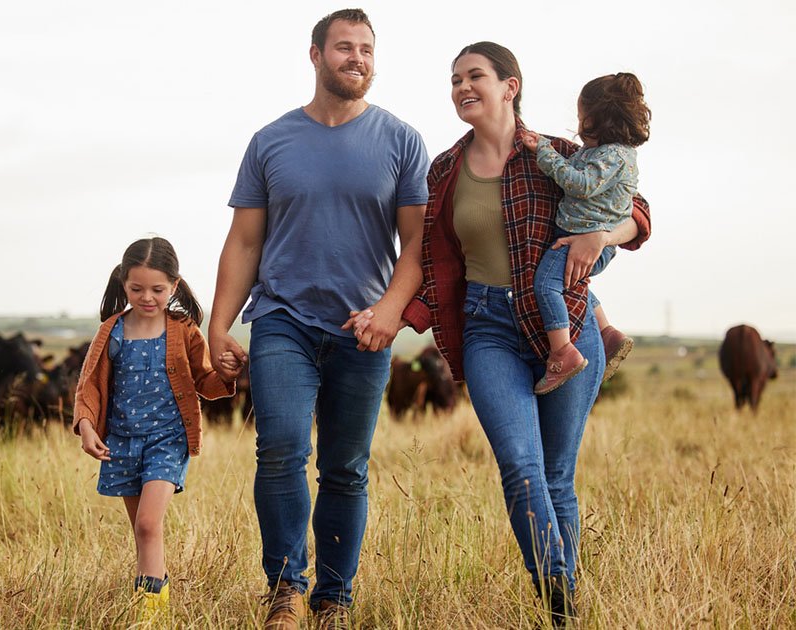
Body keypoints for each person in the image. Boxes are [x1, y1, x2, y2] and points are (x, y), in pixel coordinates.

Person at [388, 42, 651, 626]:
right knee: (521, 467)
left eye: (475, 76)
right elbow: (427, 260)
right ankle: (559, 591)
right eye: (454, 79)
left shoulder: (558, 154)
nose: (461, 87)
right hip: (488, 330)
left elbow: (637, 212)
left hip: (566, 327)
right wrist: (392, 313)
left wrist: (599, 238)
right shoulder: (443, 170)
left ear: (510, 86)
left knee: (557, 475)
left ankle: (563, 615)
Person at [208, 8, 429, 628]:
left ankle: (334, 598)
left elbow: (416, 245)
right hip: (283, 319)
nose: (356, 58)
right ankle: (285, 589)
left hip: (365, 329)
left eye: (366, 49)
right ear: (315, 56)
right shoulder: (271, 141)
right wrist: (218, 326)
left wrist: (390, 311)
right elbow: (245, 242)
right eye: (343, 48)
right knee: (279, 448)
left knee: (344, 468)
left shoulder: (402, 140)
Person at [72, 237, 237, 624]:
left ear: (174, 286)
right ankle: (152, 603)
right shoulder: (110, 331)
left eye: (158, 290)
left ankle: (151, 617)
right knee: (143, 532)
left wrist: (227, 375)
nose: (148, 297)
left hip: (168, 439)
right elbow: (89, 386)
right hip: (122, 441)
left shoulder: (183, 330)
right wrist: (84, 425)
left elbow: (205, 381)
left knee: (149, 524)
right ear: (123, 284)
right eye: (137, 289)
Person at [520, 73, 651, 394]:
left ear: (601, 120)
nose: (578, 126)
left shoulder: (611, 157)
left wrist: (546, 153)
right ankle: (607, 332)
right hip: (581, 236)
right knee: (569, 284)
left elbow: (581, 183)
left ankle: (562, 352)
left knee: (546, 285)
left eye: (582, 118)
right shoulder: (602, 153)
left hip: (583, 240)